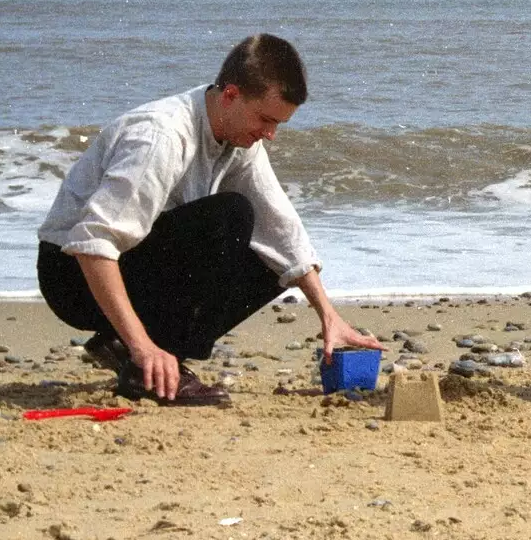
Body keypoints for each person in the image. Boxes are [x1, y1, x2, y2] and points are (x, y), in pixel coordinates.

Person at [37, 34, 380, 406]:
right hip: (71, 276)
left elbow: (283, 229)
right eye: (265, 120)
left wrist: (329, 316)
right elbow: (93, 245)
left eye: (278, 124)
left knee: (277, 260)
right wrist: (144, 346)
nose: (271, 135)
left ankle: (131, 348)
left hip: (132, 264)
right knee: (229, 216)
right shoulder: (160, 136)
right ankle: (145, 362)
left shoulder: (238, 137)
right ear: (230, 95)